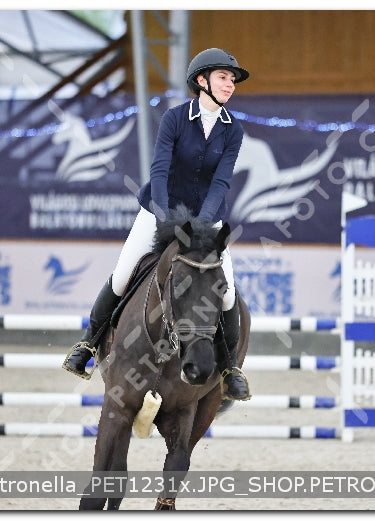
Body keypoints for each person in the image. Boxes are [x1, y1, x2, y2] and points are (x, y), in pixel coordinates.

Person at [62, 48, 251, 401]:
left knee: (226, 293)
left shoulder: (233, 131)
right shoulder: (175, 119)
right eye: (224, 77)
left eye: (233, 79)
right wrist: (167, 222)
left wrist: (202, 226)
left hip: (207, 221)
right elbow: (159, 172)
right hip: (158, 211)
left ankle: (229, 368)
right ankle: (87, 345)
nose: (231, 84)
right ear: (202, 80)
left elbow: (221, 182)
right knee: (122, 276)